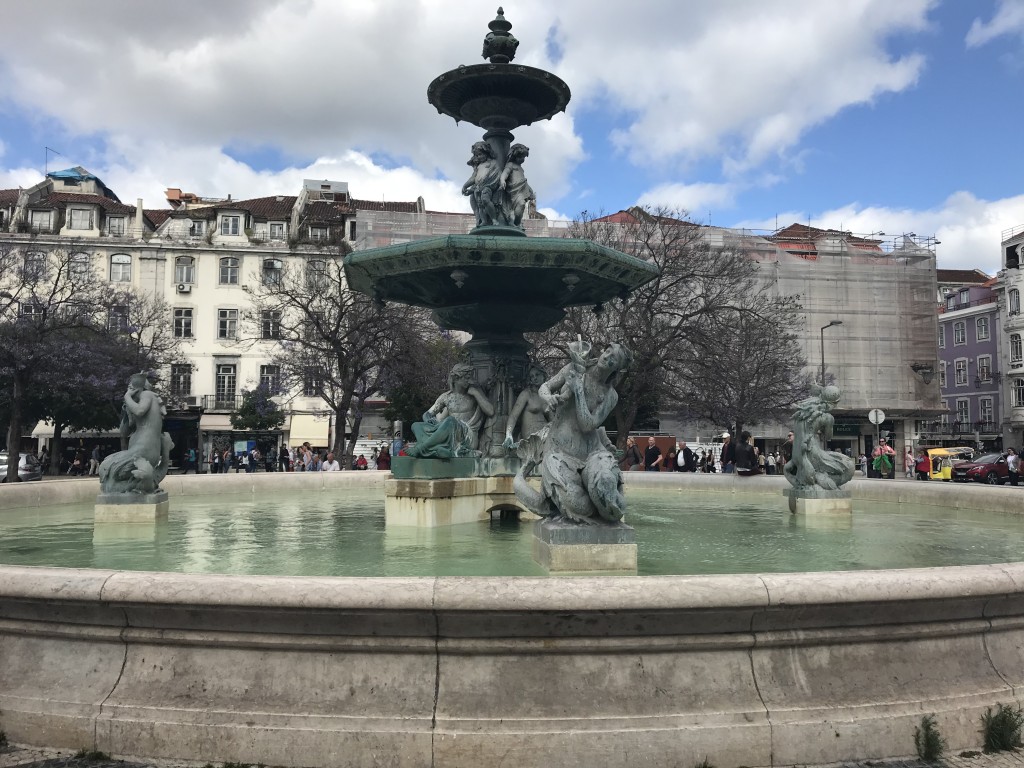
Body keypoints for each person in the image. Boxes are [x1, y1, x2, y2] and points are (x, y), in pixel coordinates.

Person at [512, 340, 633, 524]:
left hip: (592, 452)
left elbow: (587, 425)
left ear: (617, 369)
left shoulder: (610, 396)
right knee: (577, 505)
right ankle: (582, 506)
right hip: (559, 453)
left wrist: (578, 390)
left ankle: (608, 508)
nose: (607, 357)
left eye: (613, 359)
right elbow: (545, 387)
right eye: (607, 352)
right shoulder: (574, 368)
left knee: (606, 483)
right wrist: (548, 397)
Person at [407, 363, 495, 458]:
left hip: (468, 436)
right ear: (456, 378)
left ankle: (422, 448)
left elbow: (490, 411)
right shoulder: (446, 397)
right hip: (450, 435)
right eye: (466, 378)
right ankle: (436, 450)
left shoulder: (474, 393)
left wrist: (476, 394)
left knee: (450, 421)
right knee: (416, 426)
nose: (469, 381)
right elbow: (428, 413)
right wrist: (428, 419)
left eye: (469, 377)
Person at [504, 366, 550, 448]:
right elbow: (513, 416)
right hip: (532, 438)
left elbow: (553, 420)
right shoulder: (527, 394)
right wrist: (508, 435)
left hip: (546, 436)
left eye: (537, 375)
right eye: (532, 376)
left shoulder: (548, 396)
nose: (534, 378)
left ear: (544, 376)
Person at [462, 141, 502, 228]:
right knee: (480, 205)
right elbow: (473, 178)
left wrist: (489, 183)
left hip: (488, 186)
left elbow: (496, 174)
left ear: (487, 153)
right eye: (476, 155)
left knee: (485, 200)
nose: (478, 157)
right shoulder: (479, 166)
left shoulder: (493, 163)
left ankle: (494, 218)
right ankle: (483, 221)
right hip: (478, 188)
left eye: (480, 154)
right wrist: (465, 185)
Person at [498, 143, 535, 228]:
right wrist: (502, 180)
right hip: (512, 191)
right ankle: (512, 222)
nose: (522, 159)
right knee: (512, 208)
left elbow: (523, 180)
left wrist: (530, 189)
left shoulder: (521, 168)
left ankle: (517, 222)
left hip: (521, 190)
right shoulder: (510, 165)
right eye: (521, 157)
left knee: (521, 204)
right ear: (515, 156)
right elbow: (505, 173)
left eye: (524, 158)